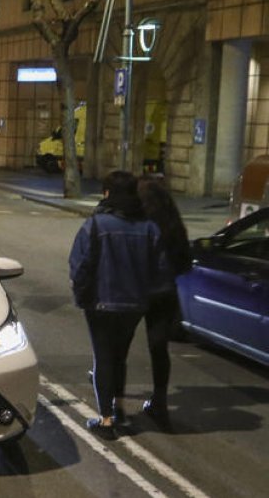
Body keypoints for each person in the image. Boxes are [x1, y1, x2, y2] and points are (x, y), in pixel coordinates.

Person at [69, 170, 160, 440]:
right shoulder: (149, 227)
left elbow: (80, 265)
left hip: (102, 303)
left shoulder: (97, 225)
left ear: (108, 193)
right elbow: (159, 267)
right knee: (120, 356)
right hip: (135, 305)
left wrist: (80, 291)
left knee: (104, 357)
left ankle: (106, 419)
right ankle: (119, 408)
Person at [137, 176, 191, 427]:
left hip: (136, 291)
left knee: (118, 344)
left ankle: (112, 399)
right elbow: (184, 261)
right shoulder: (172, 224)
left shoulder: (140, 224)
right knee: (159, 348)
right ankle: (160, 401)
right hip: (164, 292)